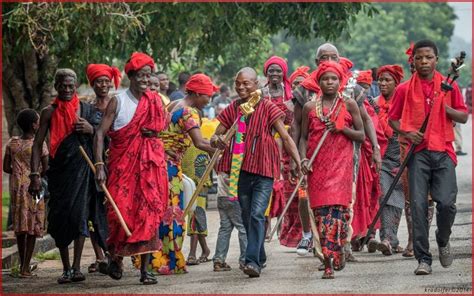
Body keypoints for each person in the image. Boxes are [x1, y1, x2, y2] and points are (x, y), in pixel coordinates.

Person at [291, 43, 381, 260]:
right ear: (316, 63)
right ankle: (315, 241)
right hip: (313, 158)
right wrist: (297, 157)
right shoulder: (304, 90)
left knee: (345, 200)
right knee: (310, 200)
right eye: (324, 57)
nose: (329, 61)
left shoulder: (351, 89)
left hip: (345, 156)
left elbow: (366, 120)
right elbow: (297, 125)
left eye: (334, 57)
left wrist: (375, 148)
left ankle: (343, 245)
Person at [211, 67, 302, 278]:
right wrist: (217, 140)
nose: (241, 87)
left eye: (246, 83)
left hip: (264, 170)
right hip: (240, 170)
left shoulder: (268, 107)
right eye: (238, 83)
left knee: (257, 214)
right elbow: (217, 135)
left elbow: (286, 137)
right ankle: (259, 256)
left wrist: (298, 162)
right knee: (246, 215)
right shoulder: (234, 108)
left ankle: (252, 261)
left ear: (257, 85)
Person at [389, 40, 468, 275]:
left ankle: (443, 240)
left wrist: (443, 107)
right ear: (413, 60)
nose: (424, 61)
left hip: (443, 151)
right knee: (419, 206)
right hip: (418, 154)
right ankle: (424, 258)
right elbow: (392, 119)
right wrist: (407, 132)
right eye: (419, 58)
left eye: (429, 57)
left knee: (447, 204)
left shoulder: (448, 86)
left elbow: (463, 117)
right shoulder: (403, 89)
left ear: (436, 59)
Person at [93, 52, 169, 285]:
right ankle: (116, 258)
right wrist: (99, 166)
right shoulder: (119, 100)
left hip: (150, 166)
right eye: (142, 76)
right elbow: (99, 133)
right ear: (131, 77)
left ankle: (145, 270)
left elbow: (160, 127)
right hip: (121, 167)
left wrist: (153, 133)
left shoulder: (155, 100)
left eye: (149, 75)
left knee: (148, 214)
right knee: (119, 213)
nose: (146, 80)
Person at [143, 73, 217, 275]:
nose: (209, 100)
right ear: (197, 93)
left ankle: (153, 259)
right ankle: (169, 260)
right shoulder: (189, 112)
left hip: (158, 162)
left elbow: (159, 131)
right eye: (207, 96)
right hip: (170, 168)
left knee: (159, 211)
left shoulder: (174, 103)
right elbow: (200, 143)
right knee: (172, 214)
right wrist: (222, 150)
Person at [30, 69, 97, 284]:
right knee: (59, 219)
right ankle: (66, 268)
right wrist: (34, 174)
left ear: (76, 86)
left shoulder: (85, 109)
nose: (67, 90)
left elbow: (104, 135)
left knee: (79, 216)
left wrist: (90, 130)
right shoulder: (49, 112)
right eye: (63, 86)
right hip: (58, 172)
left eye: (71, 86)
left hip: (81, 170)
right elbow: (37, 144)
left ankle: (77, 267)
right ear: (56, 86)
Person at [299, 61, 364, 279]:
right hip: (317, 167)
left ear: (340, 81)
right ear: (319, 82)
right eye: (325, 78)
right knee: (321, 216)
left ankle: (332, 259)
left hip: (341, 168)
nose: (330, 82)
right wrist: (303, 159)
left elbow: (361, 135)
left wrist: (341, 128)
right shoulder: (310, 107)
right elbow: (304, 137)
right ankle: (328, 257)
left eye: (334, 78)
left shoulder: (349, 105)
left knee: (336, 216)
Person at [84, 63, 122, 274]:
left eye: (107, 81)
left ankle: (115, 255)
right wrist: (90, 132)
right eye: (99, 81)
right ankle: (100, 256)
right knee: (95, 211)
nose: (103, 85)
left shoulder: (117, 105)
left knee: (114, 210)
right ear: (92, 84)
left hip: (115, 164)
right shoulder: (87, 108)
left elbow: (119, 134)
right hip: (93, 165)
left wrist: (94, 130)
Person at [4, 109, 48, 278]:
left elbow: (5, 167)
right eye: (38, 121)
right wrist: (33, 175)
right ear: (34, 125)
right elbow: (45, 168)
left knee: (21, 227)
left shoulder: (12, 143)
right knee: (32, 225)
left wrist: (19, 175)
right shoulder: (39, 143)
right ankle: (25, 268)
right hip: (34, 189)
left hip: (17, 190)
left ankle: (23, 265)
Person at [374, 64, 405, 255]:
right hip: (381, 158)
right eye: (381, 80)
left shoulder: (403, 104)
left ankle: (392, 240)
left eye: (387, 80)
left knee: (398, 198)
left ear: (396, 83)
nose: (383, 83)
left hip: (400, 155)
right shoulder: (373, 103)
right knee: (385, 196)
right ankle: (385, 239)